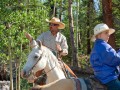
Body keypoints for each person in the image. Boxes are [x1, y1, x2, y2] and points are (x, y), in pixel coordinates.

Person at [90, 23, 120, 90]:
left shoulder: (97, 46)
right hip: (108, 77)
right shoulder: (104, 46)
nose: (108, 35)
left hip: (100, 75)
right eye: (106, 33)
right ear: (99, 35)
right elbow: (115, 59)